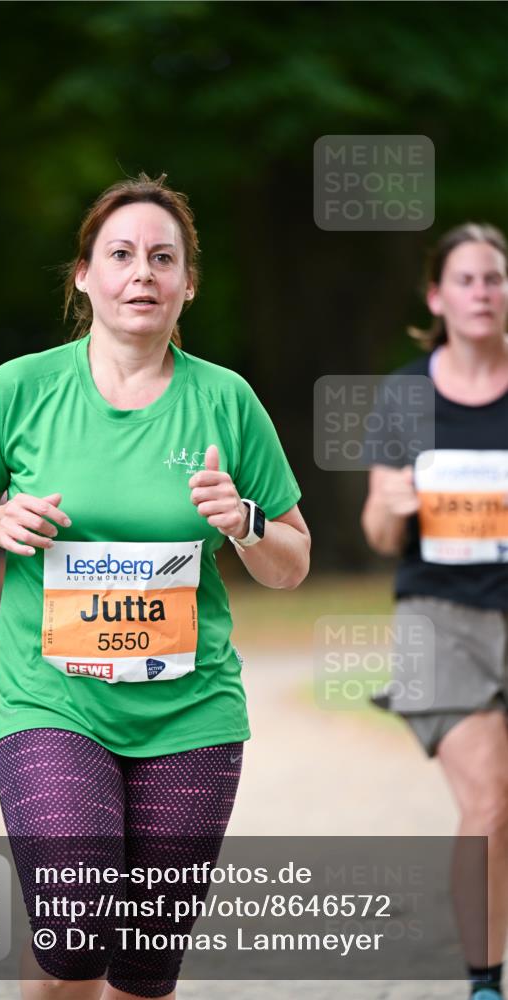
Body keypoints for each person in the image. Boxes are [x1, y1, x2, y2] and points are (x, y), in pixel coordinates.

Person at [0, 172, 310, 1000]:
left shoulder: (227, 400)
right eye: (122, 255)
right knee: (74, 929)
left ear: (188, 283)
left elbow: (292, 563)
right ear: (84, 275)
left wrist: (244, 521)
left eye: (163, 258)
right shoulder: (21, 389)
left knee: (143, 966)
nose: (143, 273)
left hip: (191, 713)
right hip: (52, 701)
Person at [361, 223, 508, 1000]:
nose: (482, 292)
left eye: (494, 278)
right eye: (466, 279)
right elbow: (378, 533)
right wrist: (391, 506)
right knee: (491, 801)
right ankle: (484, 982)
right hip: (437, 618)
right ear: (436, 297)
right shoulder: (404, 395)